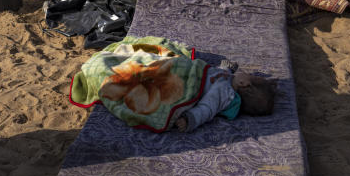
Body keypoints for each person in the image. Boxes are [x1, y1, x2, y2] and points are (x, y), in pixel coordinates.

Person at [69, 38, 275, 133]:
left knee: (146, 69)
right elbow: (222, 70)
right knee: (154, 59)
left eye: (249, 76)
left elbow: (207, 108)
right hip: (192, 70)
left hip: (184, 78)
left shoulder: (224, 93)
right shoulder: (227, 78)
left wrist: (190, 119)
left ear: (244, 83)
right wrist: (227, 68)